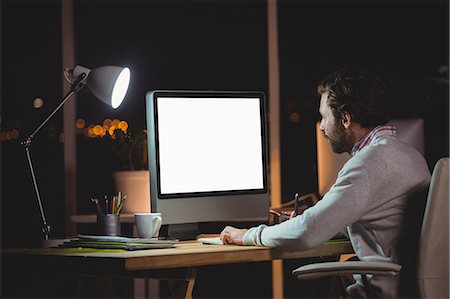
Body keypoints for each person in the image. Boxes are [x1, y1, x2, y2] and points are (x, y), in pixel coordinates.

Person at [219, 66, 431, 298]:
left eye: (324, 116)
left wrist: (249, 235)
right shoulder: (409, 155)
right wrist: (322, 216)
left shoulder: (367, 165)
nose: (321, 126)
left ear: (345, 119)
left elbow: (306, 232)